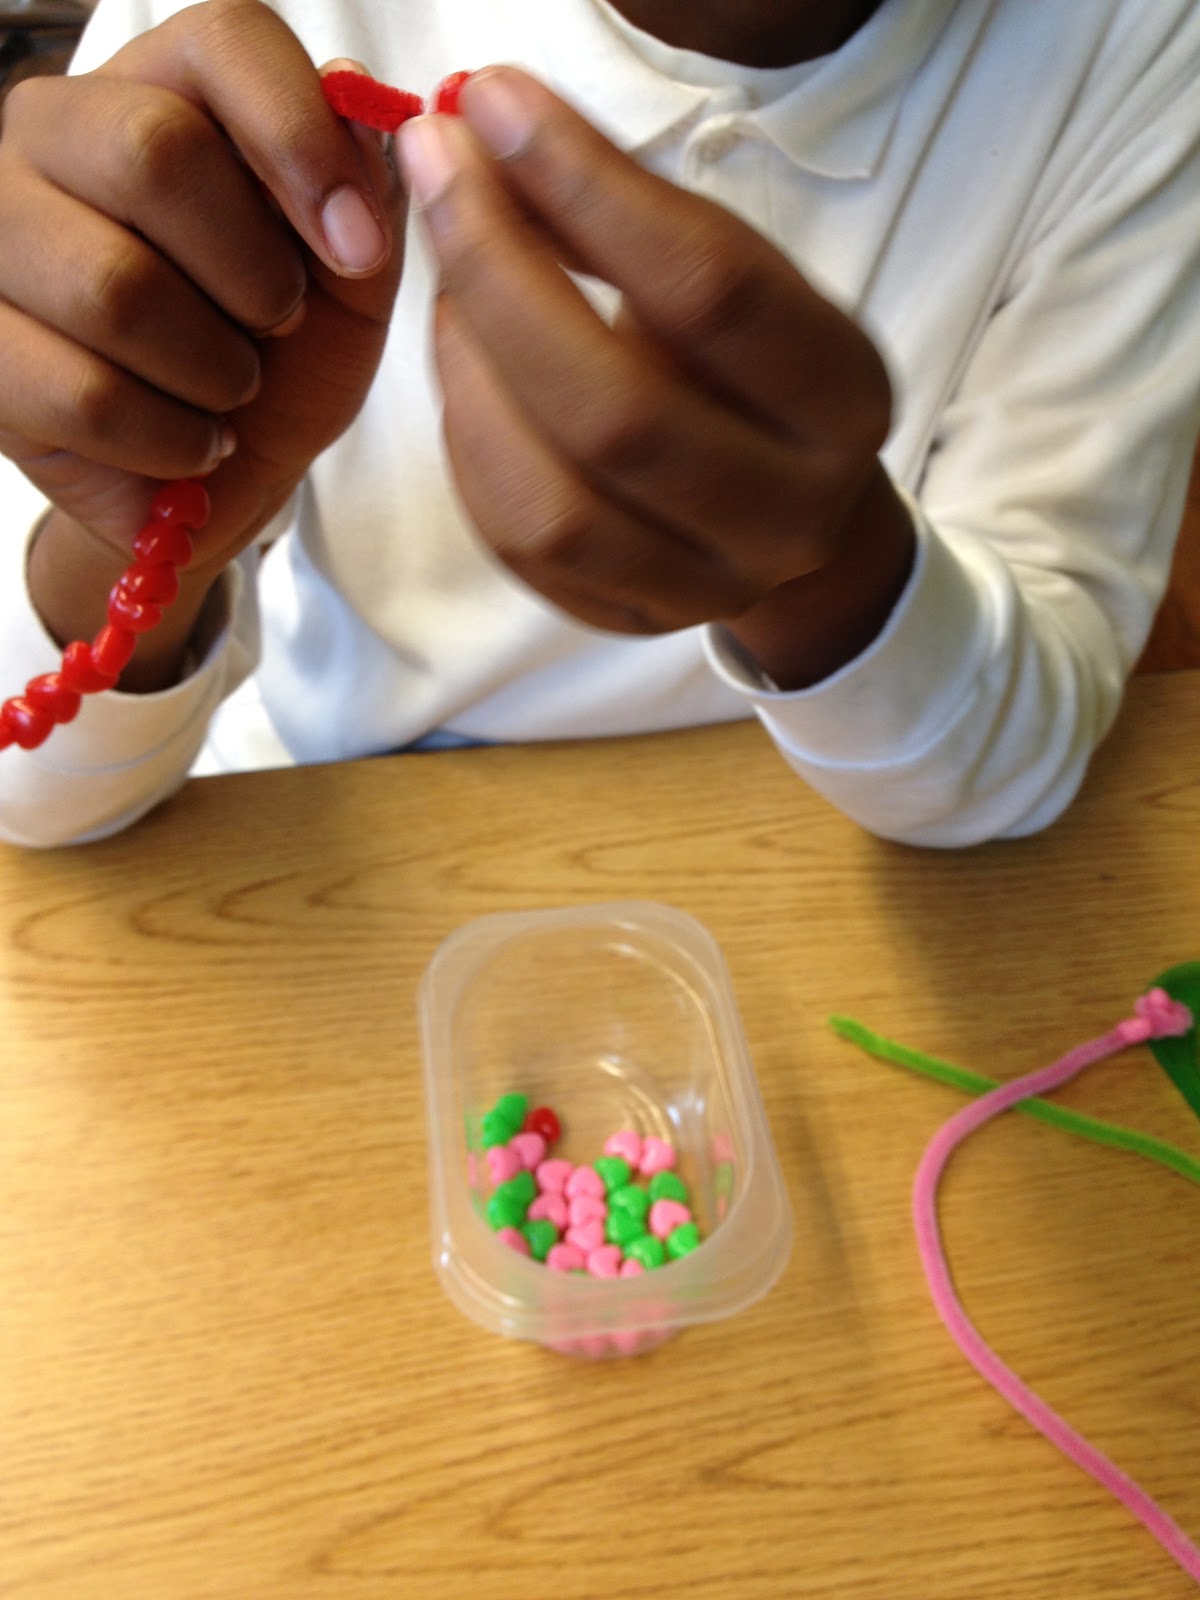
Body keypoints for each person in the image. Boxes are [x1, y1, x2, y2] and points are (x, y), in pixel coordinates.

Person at [1, 0, 1198, 849]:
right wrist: (155, 509)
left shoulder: (1139, 48)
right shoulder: (237, 33)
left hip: (794, 862)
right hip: (319, 841)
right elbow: (35, 787)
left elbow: (1018, 753)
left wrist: (835, 572)